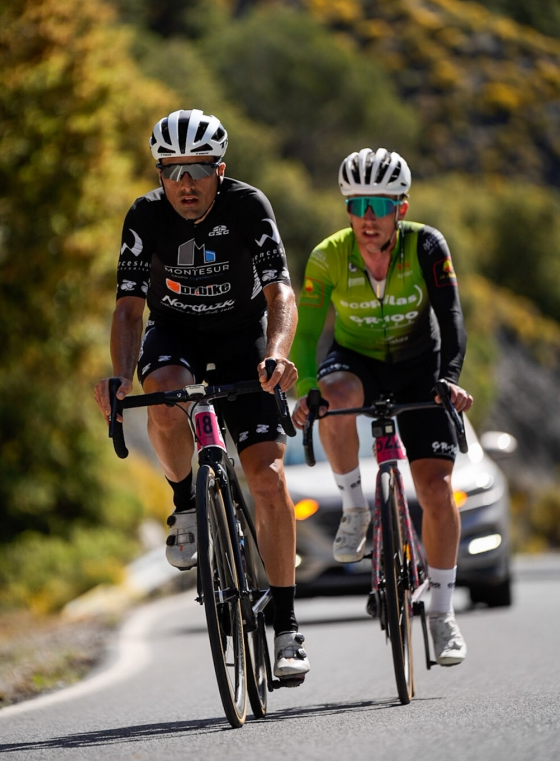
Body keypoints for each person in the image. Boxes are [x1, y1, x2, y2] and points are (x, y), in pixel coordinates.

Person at [94, 109, 309, 681]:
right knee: (160, 392)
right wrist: (119, 376)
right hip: (177, 337)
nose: (184, 183)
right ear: (160, 173)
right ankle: (186, 505)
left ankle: (286, 625)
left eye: (197, 170)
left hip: (245, 342)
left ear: (220, 169)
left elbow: (280, 292)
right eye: (171, 170)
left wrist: (279, 352)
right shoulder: (144, 215)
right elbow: (129, 308)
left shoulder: (248, 206)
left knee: (267, 478)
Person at [291, 147, 472, 666]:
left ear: (402, 207)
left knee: (437, 489)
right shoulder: (328, 256)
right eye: (358, 204)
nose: (369, 217)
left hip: (421, 364)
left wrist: (450, 380)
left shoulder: (426, 245)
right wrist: (306, 388)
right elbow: (306, 332)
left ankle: (441, 612)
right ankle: (354, 508)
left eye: (381, 204)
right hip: (357, 362)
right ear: (347, 209)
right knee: (335, 399)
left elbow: (451, 315)